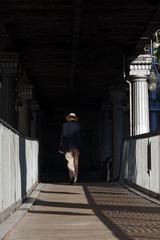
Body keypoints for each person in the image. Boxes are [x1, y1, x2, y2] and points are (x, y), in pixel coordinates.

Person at [61, 113, 84, 185]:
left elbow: (63, 136)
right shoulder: (80, 125)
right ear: (75, 118)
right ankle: (75, 178)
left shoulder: (65, 125)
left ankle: (72, 176)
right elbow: (83, 136)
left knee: (70, 161)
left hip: (68, 146)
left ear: (69, 118)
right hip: (77, 146)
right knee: (76, 162)